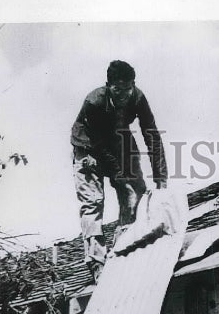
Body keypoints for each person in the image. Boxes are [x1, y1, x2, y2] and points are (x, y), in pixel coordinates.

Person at [71, 60, 168, 282]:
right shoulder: (94, 101)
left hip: (119, 139)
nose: (123, 95)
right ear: (108, 86)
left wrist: (161, 179)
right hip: (89, 146)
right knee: (92, 202)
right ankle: (96, 262)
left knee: (138, 192)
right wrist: (120, 178)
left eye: (128, 89)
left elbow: (151, 135)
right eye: (118, 90)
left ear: (133, 85)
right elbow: (100, 146)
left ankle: (125, 244)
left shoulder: (138, 98)